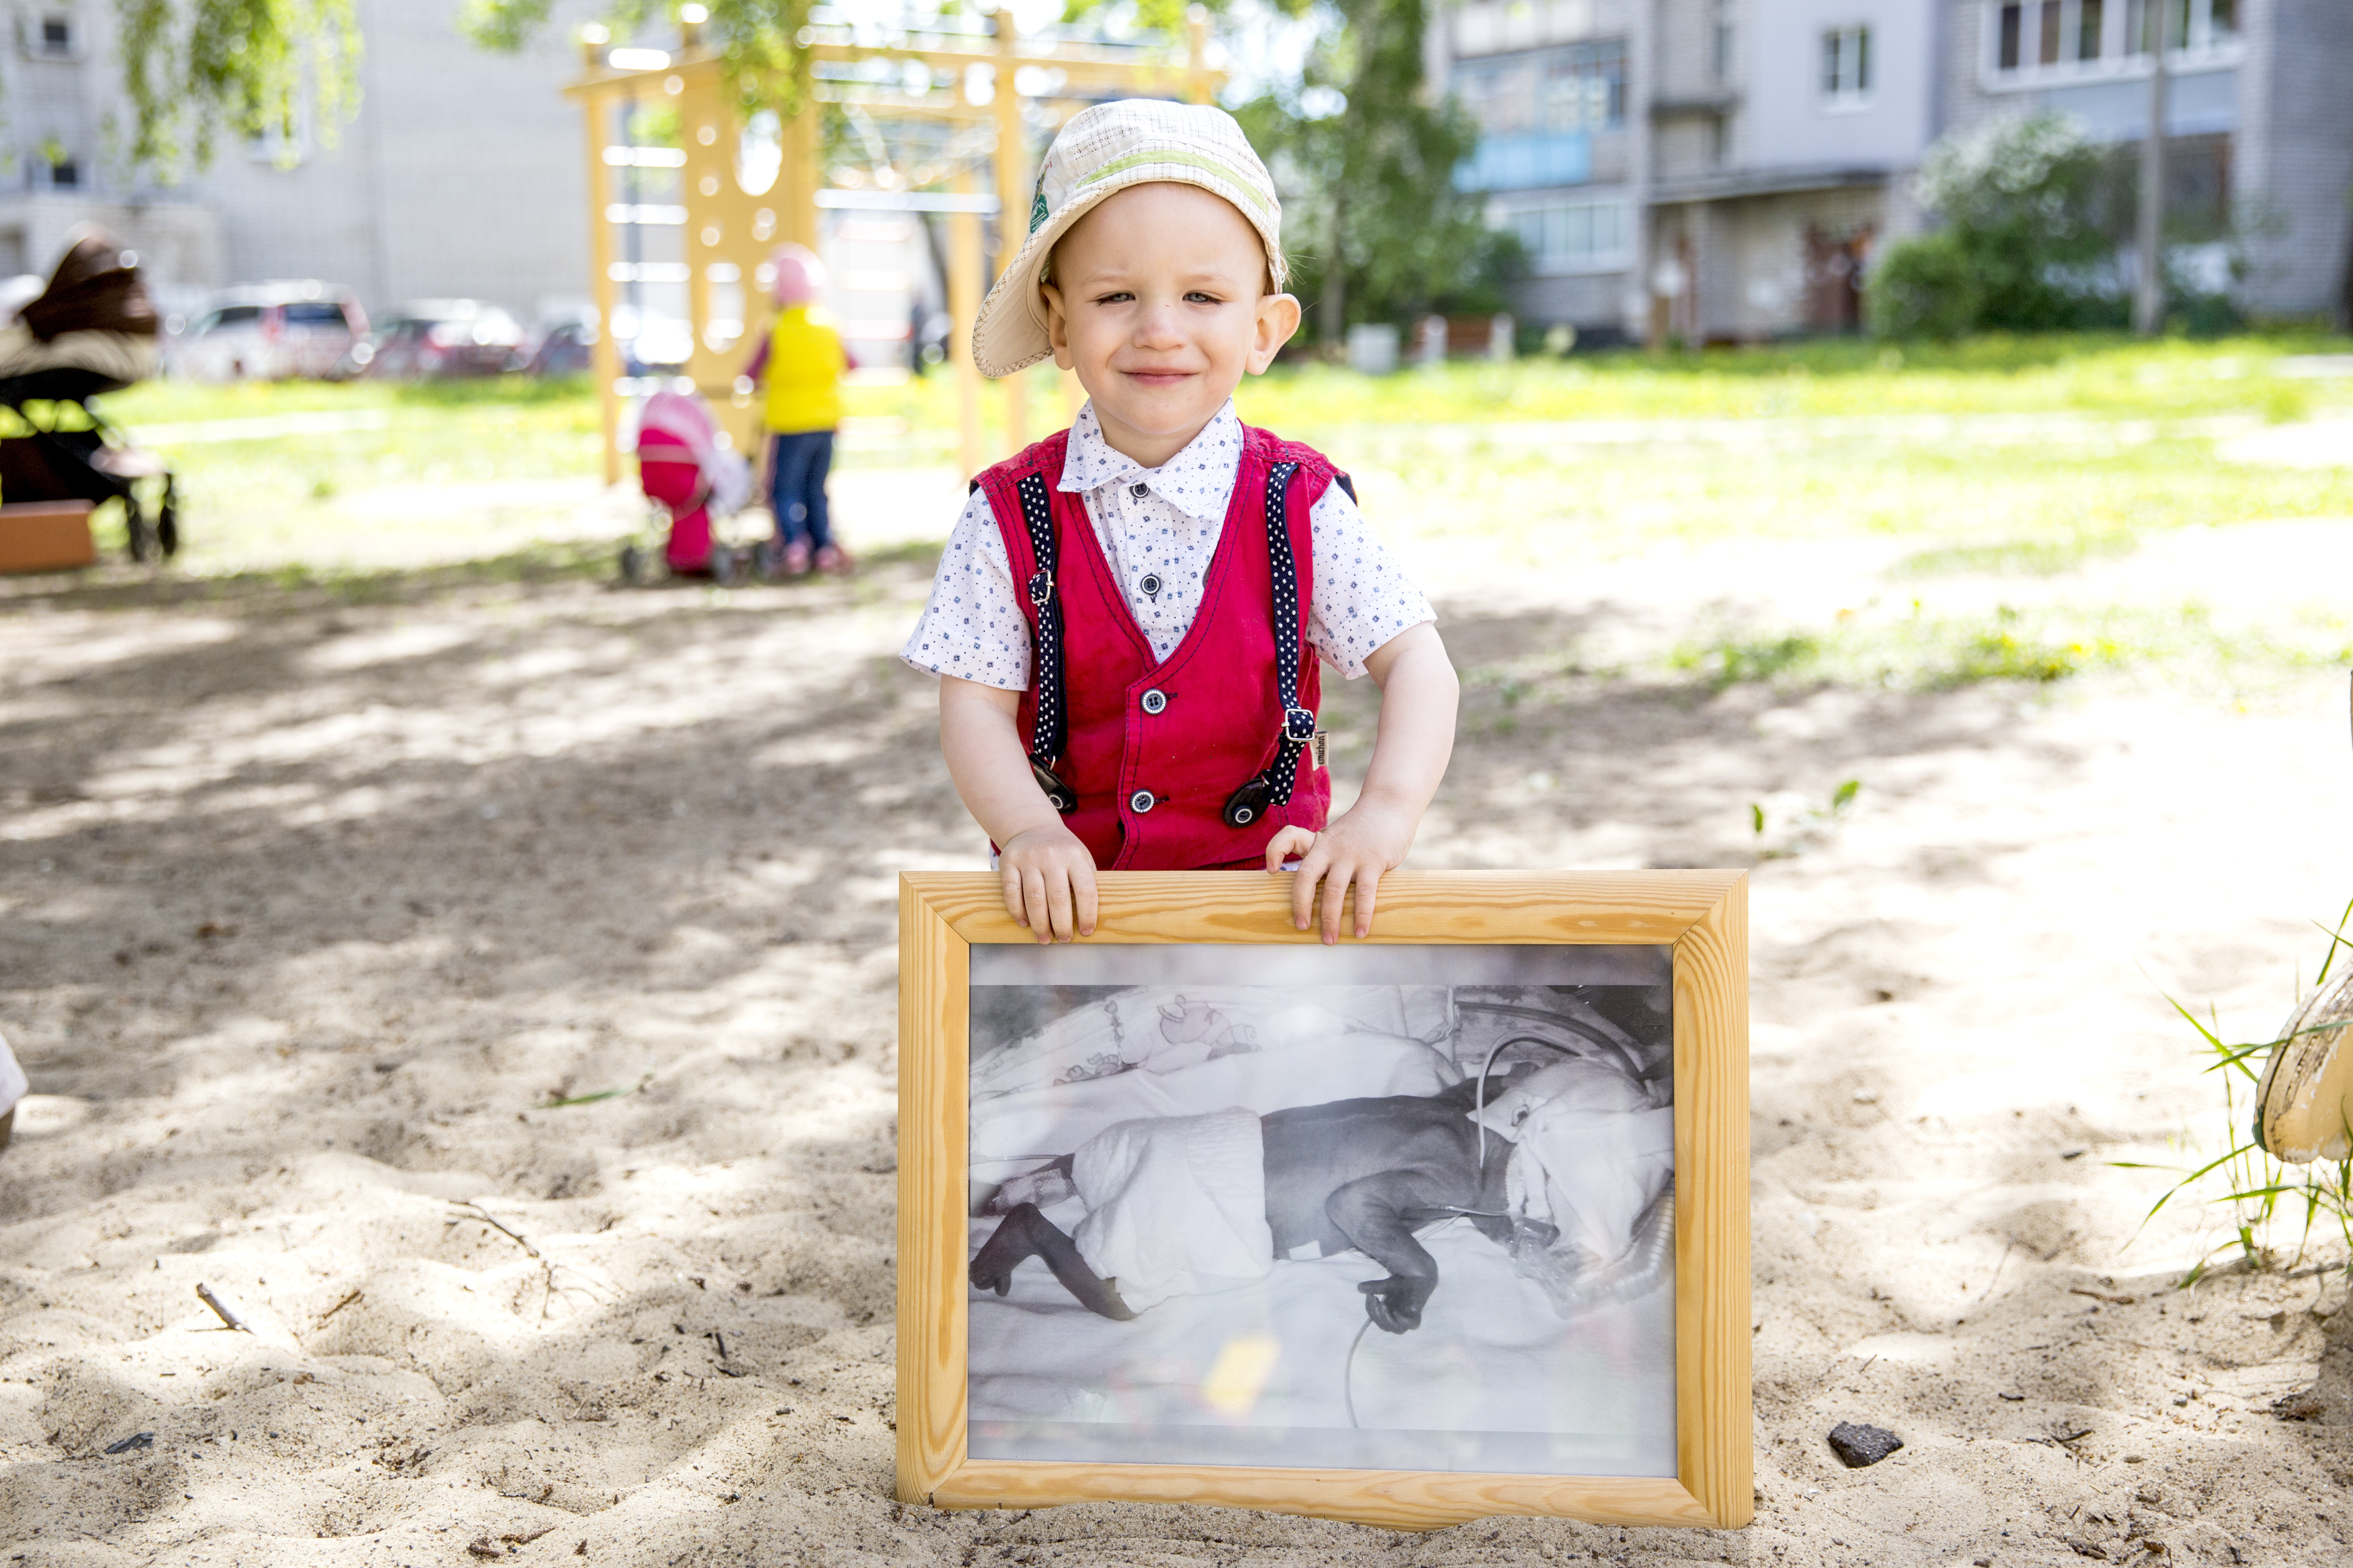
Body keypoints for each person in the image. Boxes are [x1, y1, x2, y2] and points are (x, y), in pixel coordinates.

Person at [899, 100, 1458, 945]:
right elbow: (974, 703)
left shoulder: (1300, 503)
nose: (1160, 330)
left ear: (1263, 328)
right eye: (1116, 295)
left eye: (1202, 295)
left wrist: (1381, 816)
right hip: (1075, 918)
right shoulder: (1007, 514)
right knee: (1073, 1075)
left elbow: (1418, 660)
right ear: (1057, 321)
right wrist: (1027, 828)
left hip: (1271, 912)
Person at [743, 243, 850, 576]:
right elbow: (852, 363)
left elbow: (751, 372)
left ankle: (793, 545)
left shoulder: (775, 328)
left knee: (784, 488)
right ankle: (824, 548)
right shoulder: (829, 325)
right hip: (826, 423)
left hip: (789, 424)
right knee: (816, 489)